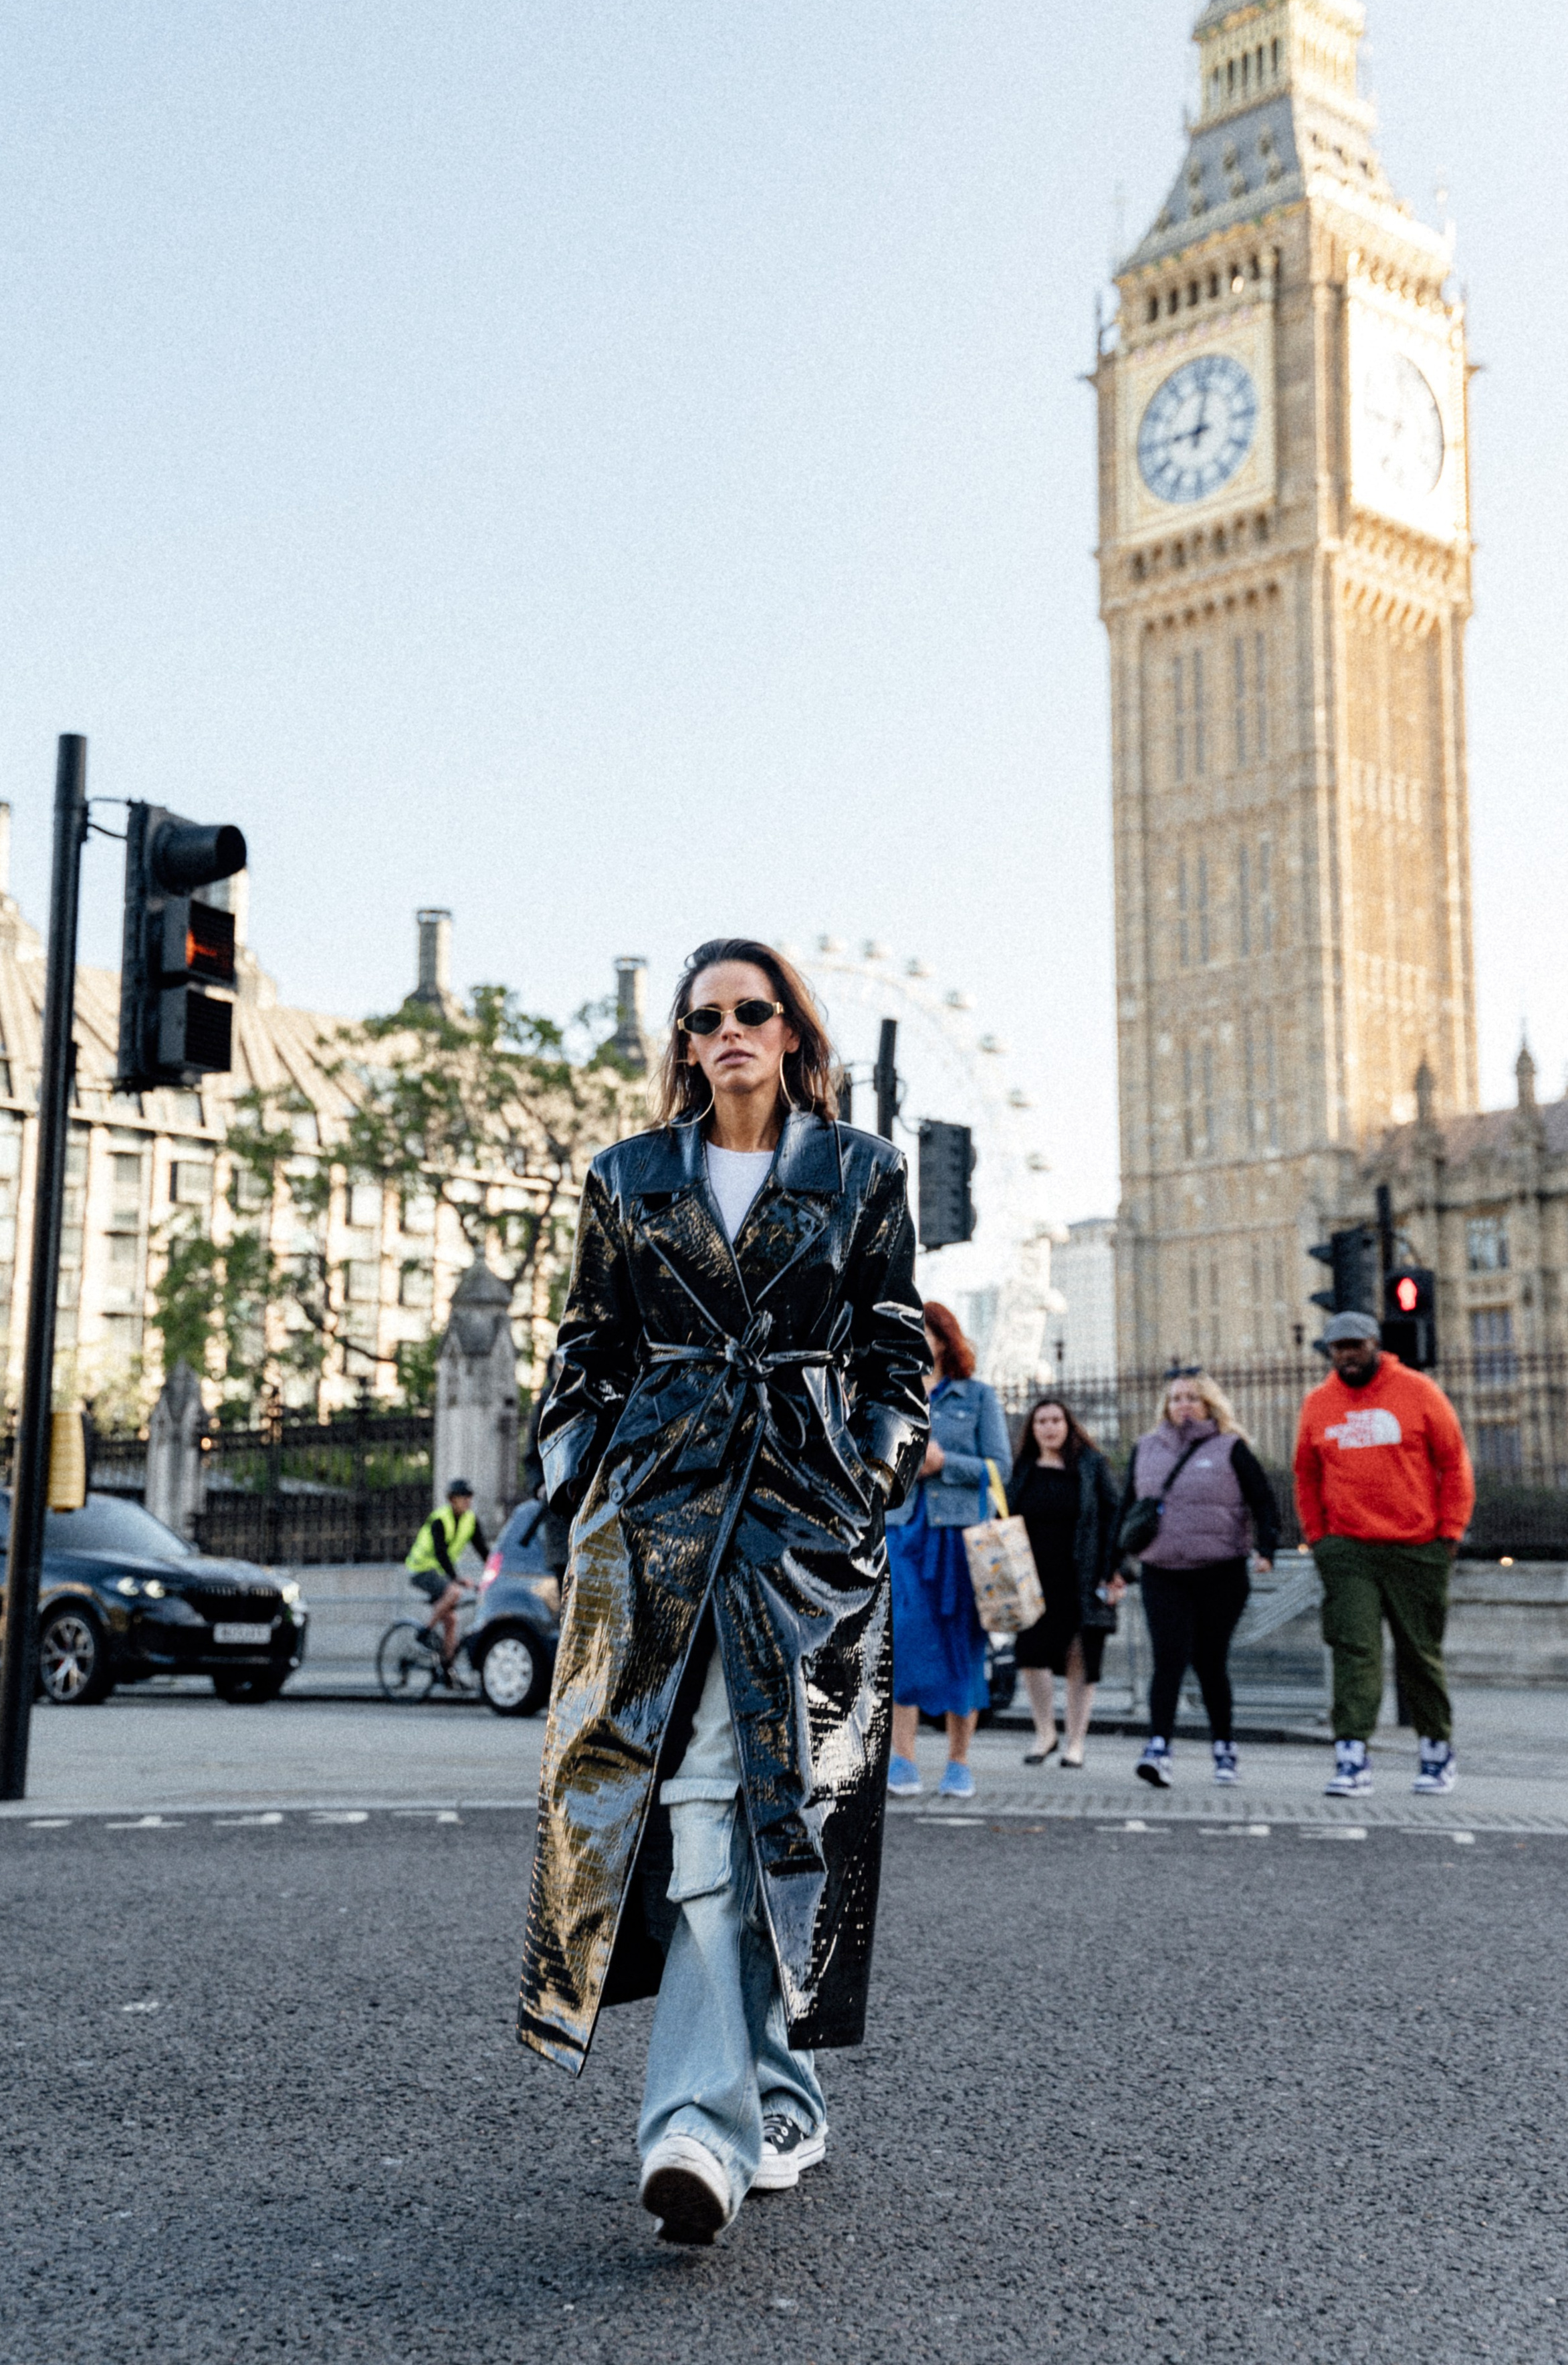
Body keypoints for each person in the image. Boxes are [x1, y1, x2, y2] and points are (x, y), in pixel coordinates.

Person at [518, 937, 929, 2247]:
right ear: (685, 1045)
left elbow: (893, 1349)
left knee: (775, 1813)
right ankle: (697, 2124)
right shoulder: (624, 1179)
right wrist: (582, 1474)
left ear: (793, 1034)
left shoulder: (862, 1175)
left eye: (752, 1011)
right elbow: (584, 1344)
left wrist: (865, 1471)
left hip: (800, 1525)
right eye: (705, 1018)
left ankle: (769, 2090)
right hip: (658, 1516)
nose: (729, 1031)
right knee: (699, 1805)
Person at [1293, 1309, 1474, 1797]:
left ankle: (1436, 1751)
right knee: (1356, 1651)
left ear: (1374, 1344)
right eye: (1338, 1349)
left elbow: (1454, 1464)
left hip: (1416, 1546)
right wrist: (1319, 1537)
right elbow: (1306, 1475)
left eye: (1355, 1345)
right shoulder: (1318, 1403)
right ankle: (1352, 1756)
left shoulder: (1418, 1392)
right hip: (1348, 1549)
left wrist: (1450, 1534)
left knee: (1420, 1655)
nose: (1347, 1356)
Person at [1119, 1369, 1279, 1789]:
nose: (1183, 1405)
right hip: (1163, 1571)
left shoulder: (1230, 1447)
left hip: (1220, 1572)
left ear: (1209, 1404)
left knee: (1210, 1662)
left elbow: (1263, 1500)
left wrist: (1267, 1548)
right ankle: (1158, 1748)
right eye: (1175, 1398)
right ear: (1165, 1406)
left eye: (1192, 1397)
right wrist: (1116, 1566)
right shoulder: (1146, 1449)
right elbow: (1126, 1509)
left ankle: (1224, 1748)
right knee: (1168, 1659)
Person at [887, 1300, 1012, 1801]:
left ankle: (959, 1762)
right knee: (903, 1646)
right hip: (903, 1531)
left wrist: (944, 1463)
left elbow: (998, 1466)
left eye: (922, 1329)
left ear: (944, 1337)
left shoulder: (977, 1396)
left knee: (963, 1647)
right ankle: (903, 1758)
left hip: (961, 1536)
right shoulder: (891, 1394)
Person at [1006, 1395, 1122, 1767]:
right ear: (1033, 1429)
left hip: (1081, 1576)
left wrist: (1116, 1571)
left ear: (1069, 1425)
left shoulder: (1091, 1466)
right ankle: (1045, 1733)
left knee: (1080, 1660)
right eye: (1042, 1421)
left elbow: (1114, 1518)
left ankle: (1075, 1742)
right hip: (1031, 1580)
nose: (1050, 1427)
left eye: (1057, 1420)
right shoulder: (1022, 1469)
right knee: (1030, 1655)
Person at [404, 1478, 487, 1660]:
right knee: (454, 1592)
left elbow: (483, 1550)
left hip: (438, 1572)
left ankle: (447, 1672)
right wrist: (457, 1578)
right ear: (451, 1500)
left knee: (451, 1621)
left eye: (469, 1497)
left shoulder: (470, 1520)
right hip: (420, 1568)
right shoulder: (440, 1519)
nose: (467, 1500)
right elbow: (441, 1553)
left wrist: (497, 1572)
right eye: (462, 1497)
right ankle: (424, 1632)